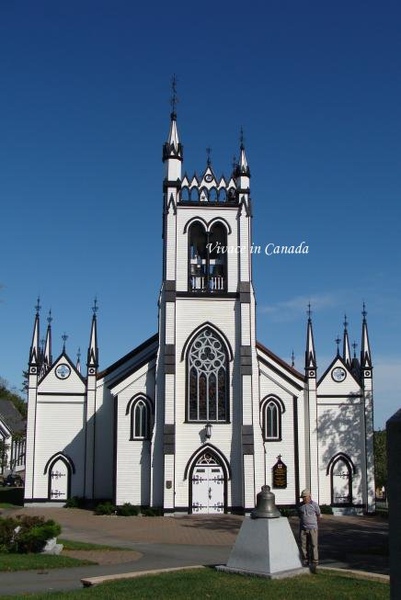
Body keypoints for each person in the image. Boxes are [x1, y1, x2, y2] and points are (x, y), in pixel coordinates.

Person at [297, 488, 321, 570]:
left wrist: (315, 524)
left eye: (305, 497)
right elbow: (299, 515)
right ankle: (305, 560)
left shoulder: (314, 505)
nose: (303, 499)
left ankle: (315, 561)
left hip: (313, 528)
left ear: (309, 496)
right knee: (303, 545)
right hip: (303, 528)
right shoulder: (300, 506)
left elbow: (318, 514)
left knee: (314, 545)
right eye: (302, 497)